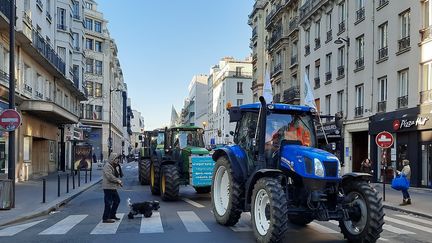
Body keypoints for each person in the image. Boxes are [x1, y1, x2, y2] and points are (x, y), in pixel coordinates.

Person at [102, 153, 123, 223]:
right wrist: (118, 180)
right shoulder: (107, 166)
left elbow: (117, 174)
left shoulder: (113, 165)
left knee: (117, 201)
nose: (117, 160)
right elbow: (109, 176)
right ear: (112, 159)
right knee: (108, 202)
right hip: (108, 187)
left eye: (118, 159)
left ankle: (112, 215)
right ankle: (105, 218)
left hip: (112, 187)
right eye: (116, 159)